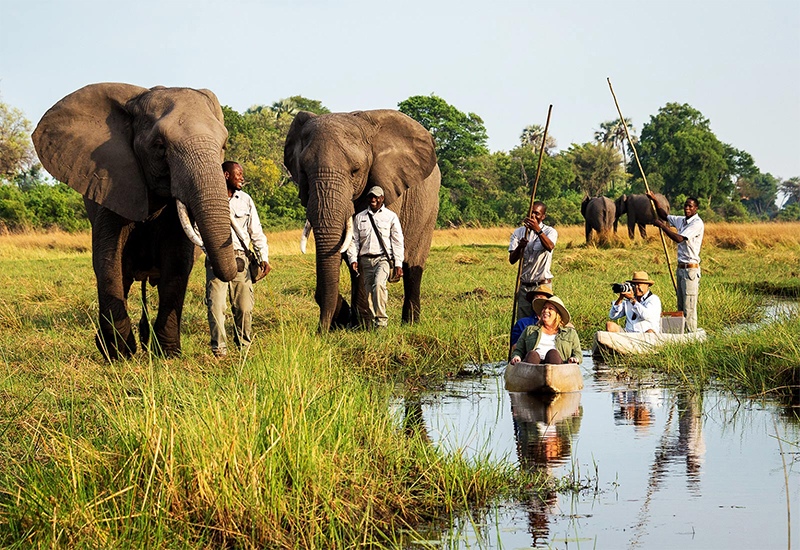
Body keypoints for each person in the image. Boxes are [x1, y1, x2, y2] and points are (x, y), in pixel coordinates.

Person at [205, 161, 270, 357]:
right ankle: (219, 351)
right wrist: (209, 253)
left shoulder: (246, 200)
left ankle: (244, 349)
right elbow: (199, 231)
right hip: (216, 259)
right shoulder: (209, 199)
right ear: (226, 175)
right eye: (238, 174)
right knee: (216, 306)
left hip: (241, 258)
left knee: (244, 307)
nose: (242, 177)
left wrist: (263, 257)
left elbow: (255, 231)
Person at [647, 191, 705, 332]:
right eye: (685, 206)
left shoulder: (697, 223)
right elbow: (664, 215)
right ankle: (681, 334)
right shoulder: (682, 220)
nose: (687, 208)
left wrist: (662, 226)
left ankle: (691, 335)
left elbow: (679, 238)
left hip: (690, 270)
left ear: (696, 208)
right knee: (680, 306)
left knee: (689, 307)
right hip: (680, 268)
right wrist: (654, 200)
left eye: (690, 206)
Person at [347, 185, 404, 329]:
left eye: (376, 197)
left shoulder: (390, 217)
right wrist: (353, 259)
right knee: (368, 295)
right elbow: (354, 241)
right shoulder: (360, 217)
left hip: (383, 259)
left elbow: (397, 241)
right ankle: (374, 322)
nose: (373, 199)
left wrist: (398, 264)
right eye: (371, 197)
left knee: (379, 285)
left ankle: (382, 322)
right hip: (365, 261)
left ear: (382, 199)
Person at [509, 201, 557, 319]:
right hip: (524, 286)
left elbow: (549, 246)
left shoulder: (549, 231)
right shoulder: (519, 232)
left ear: (543, 216)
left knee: (542, 321)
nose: (533, 216)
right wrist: (520, 247)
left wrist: (537, 230)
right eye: (531, 213)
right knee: (523, 322)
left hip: (541, 286)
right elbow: (512, 259)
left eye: (537, 213)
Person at [510, 296, 582, 365]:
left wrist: (575, 359)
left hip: (558, 367)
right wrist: (517, 357)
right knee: (532, 354)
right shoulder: (529, 330)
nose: (546, 310)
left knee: (553, 354)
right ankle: (531, 376)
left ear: (557, 314)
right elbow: (518, 350)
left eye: (550, 308)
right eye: (544, 308)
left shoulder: (570, 333)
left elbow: (578, 354)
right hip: (533, 366)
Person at [509, 284, 553, 350]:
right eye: (535, 298)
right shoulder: (522, 323)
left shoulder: (559, 324)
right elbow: (516, 347)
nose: (538, 301)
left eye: (541, 298)